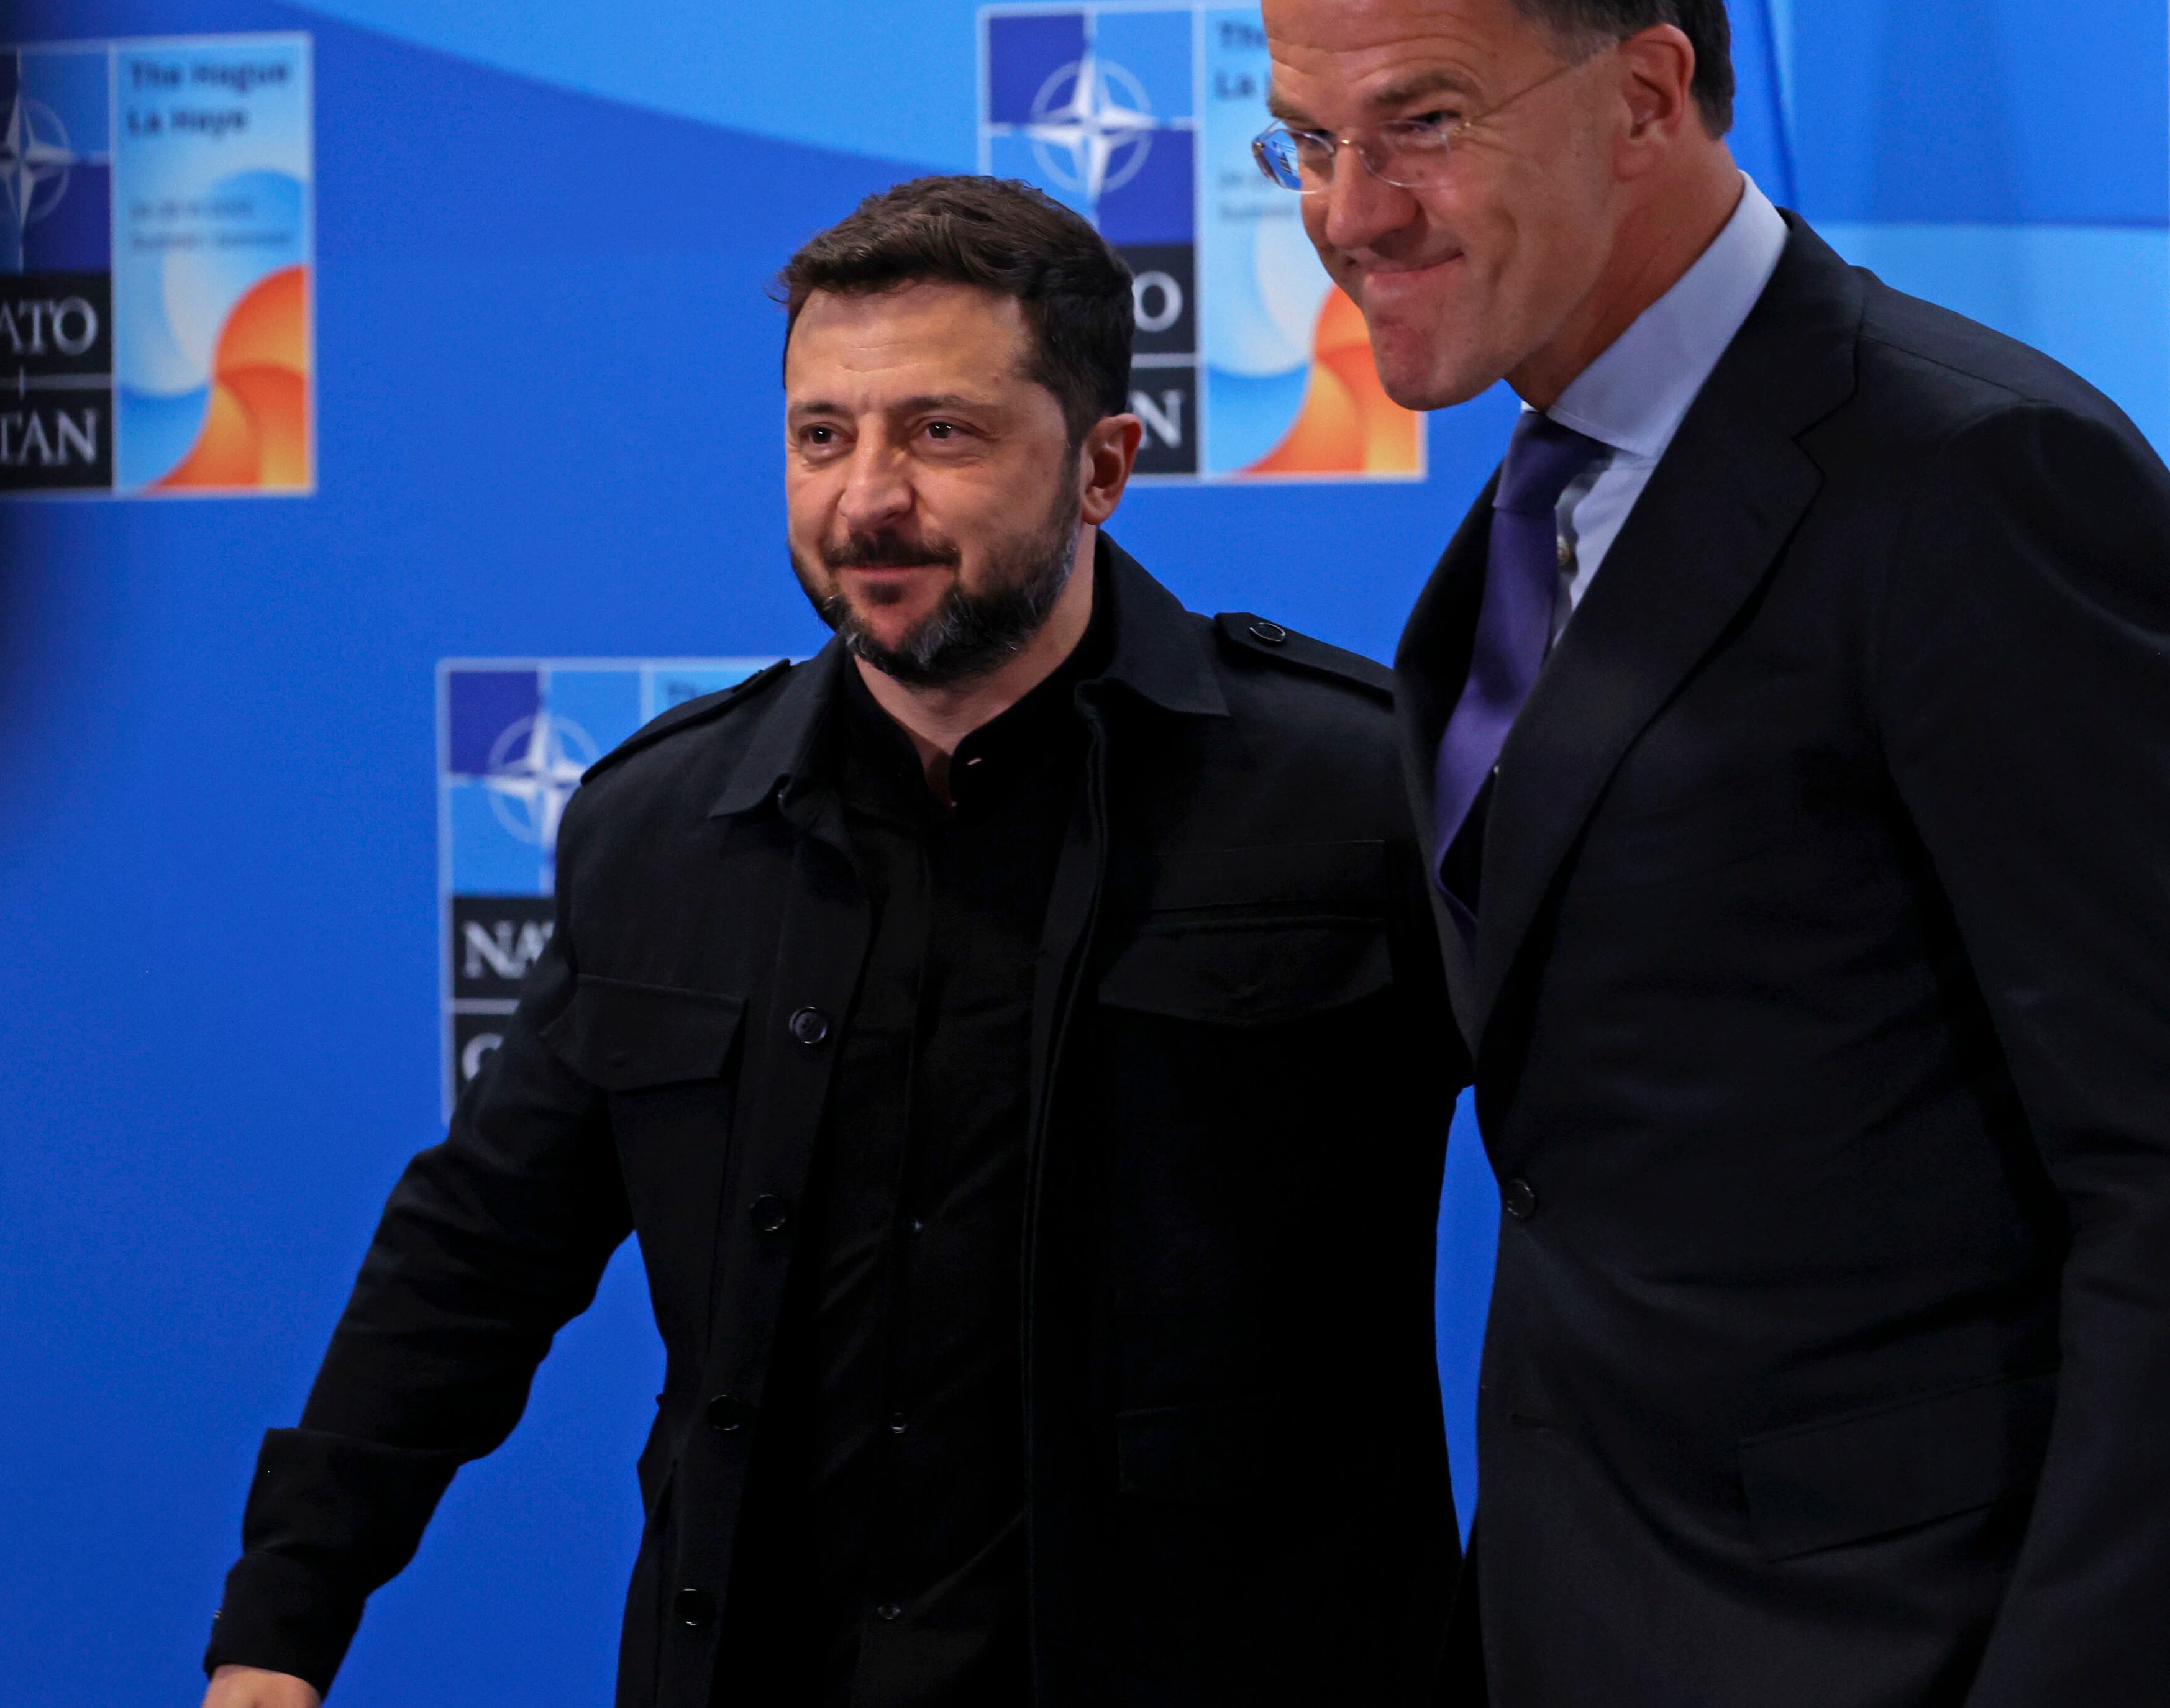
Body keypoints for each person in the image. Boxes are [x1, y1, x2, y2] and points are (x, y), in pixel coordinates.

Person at [1226, 0, 2170, 1708]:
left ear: (1650, 92)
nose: (1348, 213)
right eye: (1301, 141)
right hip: (1594, 1620)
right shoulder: (1525, 518)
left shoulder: (1971, 479)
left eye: (1418, 122)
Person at [198, 175, 1467, 1708]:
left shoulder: (1365, 791)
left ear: (1103, 465)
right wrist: (282, 1626)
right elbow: (473, 1256)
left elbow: (1602, 1204)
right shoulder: (660, 829)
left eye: (941, 431)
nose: (867, 494)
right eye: (822, 434)